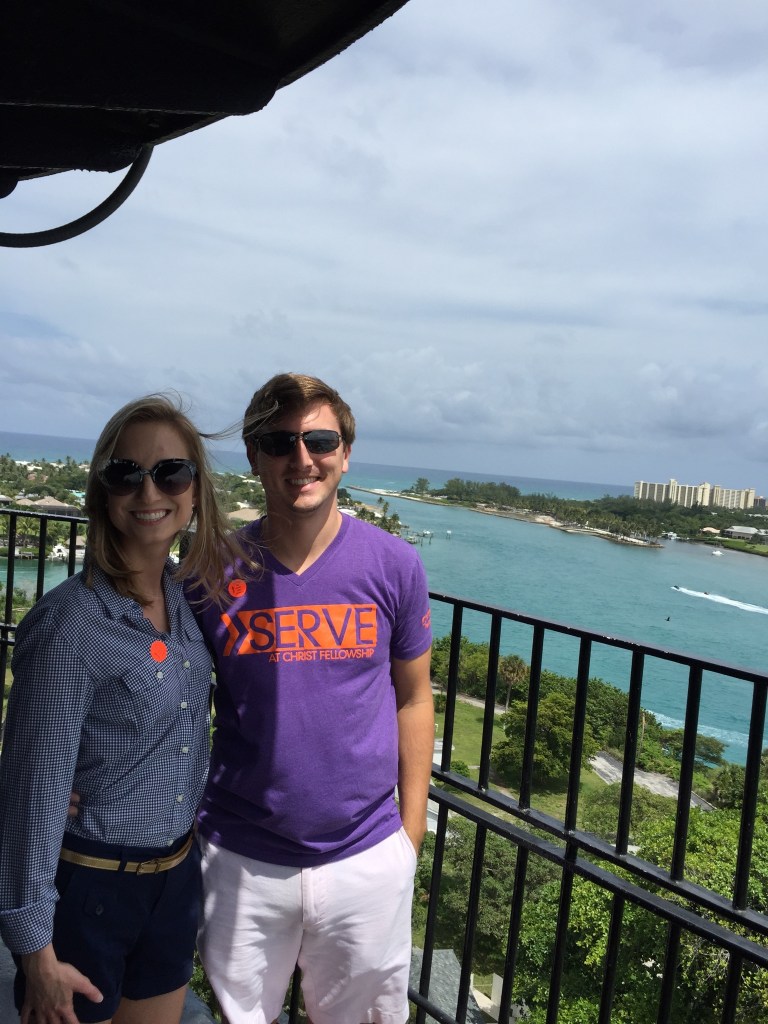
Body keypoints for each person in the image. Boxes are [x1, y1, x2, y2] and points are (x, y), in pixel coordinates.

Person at [192, 372, 435, 1024]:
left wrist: (408, 839)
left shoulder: (393, 566)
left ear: (345, 453)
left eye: (320, 441)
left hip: (366, 855)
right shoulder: (209, 571)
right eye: (279, 442)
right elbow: (171, 697)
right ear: (254, 457)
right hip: (240, 855)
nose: (302, 459)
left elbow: (414, 699)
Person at [0, 395, 244, 1024]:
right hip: (91, 888)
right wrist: (35, 950)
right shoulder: (70, 625)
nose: (149, 491)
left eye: (171, 472)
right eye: (126, 473)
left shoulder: (183, 602)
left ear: (195, 492)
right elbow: (35, 793)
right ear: (103, 492)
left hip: (173, 880)